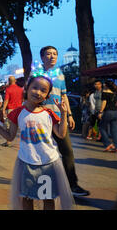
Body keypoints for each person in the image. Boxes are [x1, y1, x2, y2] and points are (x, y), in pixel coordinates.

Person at [0, 75, 74, 210]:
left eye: (43, 90)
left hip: (48, 162)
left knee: (48, 199)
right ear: (27, 89)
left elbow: (61, 133)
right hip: (26, 162)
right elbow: (9, 137)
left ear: (47, 95)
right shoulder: (17, 113)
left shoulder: (48, 113)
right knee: (26, 198)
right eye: (35, 88)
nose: (38, 92)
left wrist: (64, 114)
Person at [33, 45, 90, 197]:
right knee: (42, 152)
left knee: (67, 151)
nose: (52, 56)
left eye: (55, 54)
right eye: (49, 54)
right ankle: (40, 183)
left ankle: (72, 185)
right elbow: (29, 97)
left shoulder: (59, 74)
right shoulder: (36, 74)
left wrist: (69, 115)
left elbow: (63, 96)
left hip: (59, 119)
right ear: (42, 57)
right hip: (42, 119)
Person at [1, 76, 24, 146]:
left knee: (8, 126)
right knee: (19, 126)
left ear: (9, 81)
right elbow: (23, 100)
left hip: (10, 110)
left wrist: (3, 109)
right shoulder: (20, 89)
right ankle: (21, 141)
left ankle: (8, 141)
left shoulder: (8, 89)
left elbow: (6, 100)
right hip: (19, 109)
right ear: (15, 81)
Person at [98, 80, 117, 153]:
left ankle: (108, 143)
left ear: (106, 85)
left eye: (104, 83)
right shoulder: (114, 93)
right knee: (114, 131)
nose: (103, 84)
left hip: (108, 112)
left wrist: (100, 112)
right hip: (115, 112)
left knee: (101, 127)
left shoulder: (104, 93)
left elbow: (104, 103)